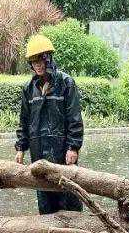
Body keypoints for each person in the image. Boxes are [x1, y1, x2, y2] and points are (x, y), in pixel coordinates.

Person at [14, 34, 85, 214]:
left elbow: (74, 117)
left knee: (69, 195)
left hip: (62, 150)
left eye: (41, 60)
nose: (38, 65)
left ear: (49, 59)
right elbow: (24, 120)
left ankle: (75, 231)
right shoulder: (28, 88)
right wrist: (20, 148)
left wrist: (73, 147)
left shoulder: (66, 83)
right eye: (34, 61)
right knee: (45, 200)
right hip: (39, 151)